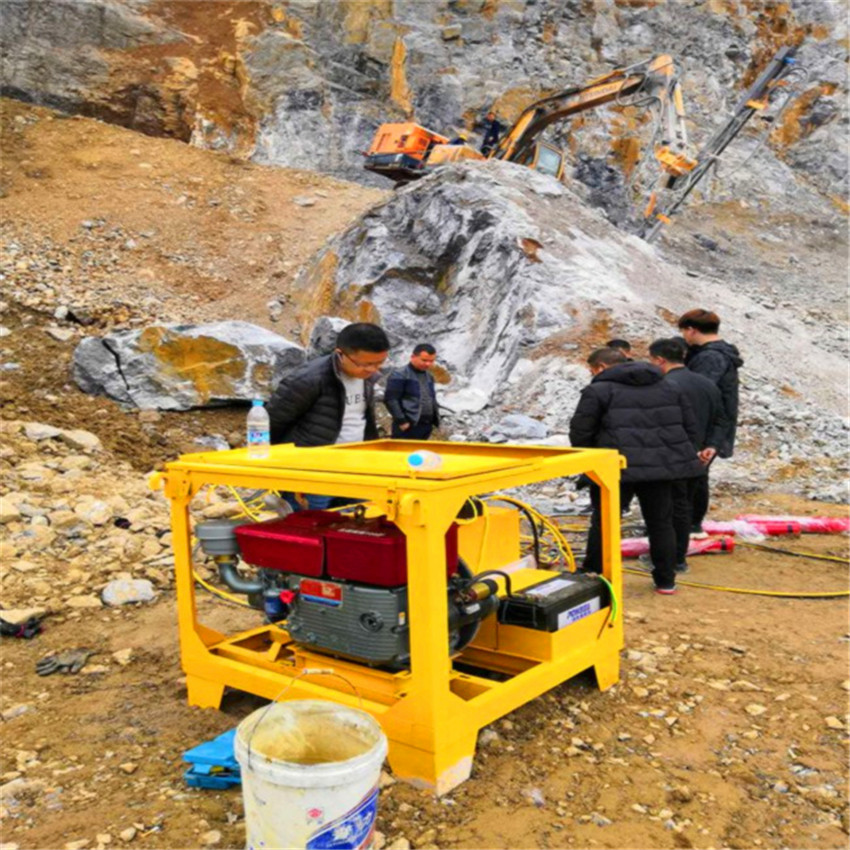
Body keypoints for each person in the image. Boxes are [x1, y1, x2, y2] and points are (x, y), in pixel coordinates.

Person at [569, 347, 704, 594]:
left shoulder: (598, 390)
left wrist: (588, 462)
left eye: (591, 370)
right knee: (661, 522)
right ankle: (666, 579)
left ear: (600, 368)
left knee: (605, 521)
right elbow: (690, 427)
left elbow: (581, 431)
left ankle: (594, 572)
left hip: (614, 468)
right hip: (660, 470)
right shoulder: (669, 387)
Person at [267, 322, 390, 509]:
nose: (373, 370)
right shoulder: (308, 379)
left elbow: (360, 420)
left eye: (379, 363)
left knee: (356, 522)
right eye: (366, 364)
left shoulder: (367, 378)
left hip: (357, 468)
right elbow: (273, 423)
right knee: (311, 524)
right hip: (315, 472)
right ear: (340, 354)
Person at [649, 338, 728, 572]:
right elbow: (722, 418)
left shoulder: (661, 385)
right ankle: (679, 559)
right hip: (700, 458)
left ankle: (666, 560)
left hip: (670, 457)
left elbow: (660, 424)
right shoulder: (706, 384)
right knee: (683, 510)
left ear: (659, 360)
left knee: (665, 512)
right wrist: (711, 446)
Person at [677, 309, 743, 534]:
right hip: (711, 424)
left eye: (684, 332)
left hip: (705, 426)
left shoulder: (710, 357)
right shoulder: (716, 353)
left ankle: (691, 527)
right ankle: (690, 524)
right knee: (696, 475)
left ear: (692, 330)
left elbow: (698, 395)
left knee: (694, 476)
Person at [384, 343, 440, 440]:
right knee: (402, 454)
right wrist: (402, 421)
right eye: (424, 360)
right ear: (413, 357)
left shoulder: (429, 376)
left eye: (431, 361)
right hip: (408, 425)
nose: (428, 364)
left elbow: (431, 398)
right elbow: (391, 399)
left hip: (426, 425)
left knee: (420, 454)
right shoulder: (399, 374)